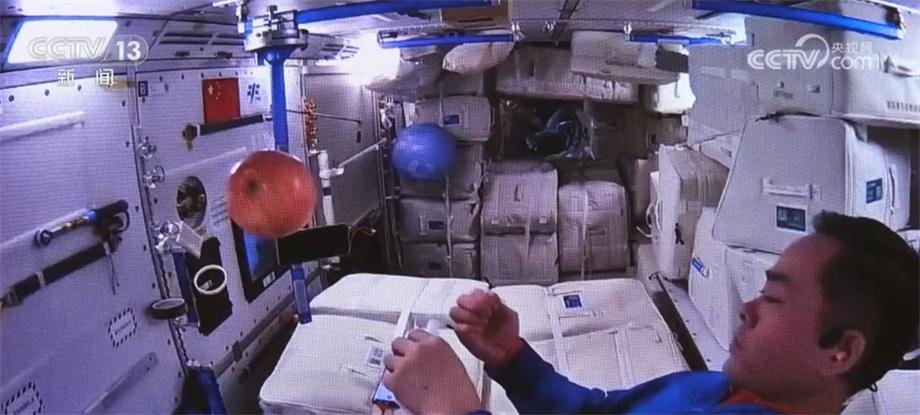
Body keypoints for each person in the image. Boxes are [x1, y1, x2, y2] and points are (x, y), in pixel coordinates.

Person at [381, 212, 920, 414]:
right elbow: (593, 414)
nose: (748, 310)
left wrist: (450, 409)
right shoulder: (714, 389)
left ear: (840, 351)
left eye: (775, 299)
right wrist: (513, 359)